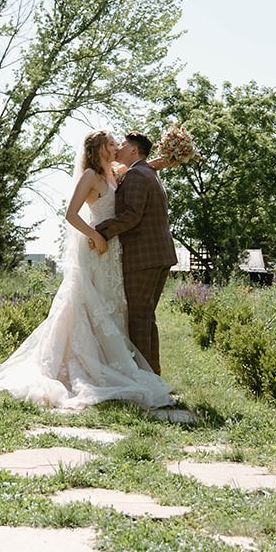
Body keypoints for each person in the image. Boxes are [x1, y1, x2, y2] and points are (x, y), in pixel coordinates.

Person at [0, 130, 176, 409]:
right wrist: (97, 235)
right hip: (98, 247)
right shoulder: (90, 176)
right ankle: (98, 366)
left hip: (112, 250)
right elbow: (71, 213)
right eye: (112, 144)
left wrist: (165, 158)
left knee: (118, 309)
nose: (116, 148)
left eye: (119, 144)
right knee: (91, 306)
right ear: (99, 148)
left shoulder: (118, 173)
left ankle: (135, 369)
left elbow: (141, 171)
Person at [94, 131, 179, 375]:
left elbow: (131, 214)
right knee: (146, 316)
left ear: (134, 150)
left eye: (122, 144)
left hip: (144, 257)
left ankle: (146, 379)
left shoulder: (136, 175)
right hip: (158, 254)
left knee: (139, 317)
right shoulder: (147, 172)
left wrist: (99, 231)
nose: (118, 148)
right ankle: (153, 374)